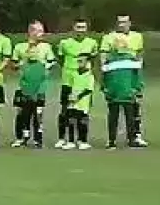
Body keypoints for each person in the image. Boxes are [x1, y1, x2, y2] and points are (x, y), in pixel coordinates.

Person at [101, 15, 147, 146]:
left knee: (133, 111)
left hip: (130, 77)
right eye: (120, 22)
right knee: (113, 112)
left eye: (125, 22)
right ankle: (112, 139)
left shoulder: (137, 37)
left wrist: (138, 80)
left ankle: (134, 137)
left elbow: (140, 55)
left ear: (129, 23)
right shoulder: (108, 38)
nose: (122, 25)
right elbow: (103, 58)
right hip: (115, 79)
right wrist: (105, 81)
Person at [54, 20, 99, 147]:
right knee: (65, 111)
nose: (81, 30)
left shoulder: (92, 43)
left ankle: (82, 139)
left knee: (82, 112)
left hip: (83, 81)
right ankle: (62, 138)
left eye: (83, 27)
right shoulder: (64, 43)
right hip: (68, 80)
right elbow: (60, 59)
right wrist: (69, 69)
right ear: (74, 28)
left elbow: (93, 60)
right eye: (78, 27)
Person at [10, 22, 55, 148]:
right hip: (23, 86)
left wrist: (42, 67)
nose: (42, 33)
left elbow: (52, 62)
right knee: (22, 113)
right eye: (39, 30)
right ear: (31, 32)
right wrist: (23, 63)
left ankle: (38, 139)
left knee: (38, 114)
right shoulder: (20, 47)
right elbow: (13, 64)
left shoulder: (46, 47)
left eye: (42, 30)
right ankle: (21, 138)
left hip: (40, 87)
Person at [58, 55, 95, 150]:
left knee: (82, 122)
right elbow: (70, 86)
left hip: (83, 103)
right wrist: (69, 97)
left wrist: (78, 97)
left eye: (81, 61)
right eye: (78, 61)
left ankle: (83, 141)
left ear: (87, 63)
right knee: (71, 121)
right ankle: (71, 141)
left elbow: (89, 90)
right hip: (72, 102)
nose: (79, 63)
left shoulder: (90, 76)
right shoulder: (73, 74)